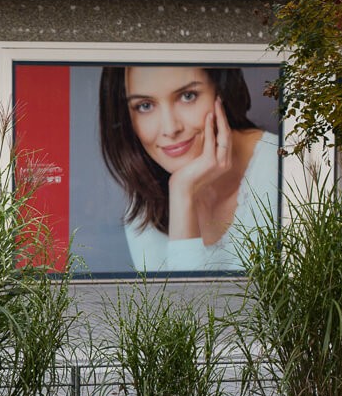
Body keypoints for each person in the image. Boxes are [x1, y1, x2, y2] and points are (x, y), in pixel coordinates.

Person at [99, 66, 279, 272]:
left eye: (187, 96)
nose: (170, 128)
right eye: (145, 106)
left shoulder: (283, 169)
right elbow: (176, 303)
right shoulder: (145, 205)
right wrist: (182, 193)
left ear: (221, 91)